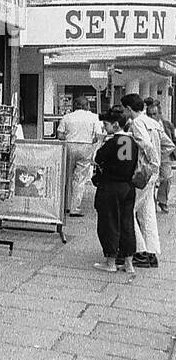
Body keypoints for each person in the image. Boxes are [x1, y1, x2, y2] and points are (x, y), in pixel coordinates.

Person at [92, 106, 138, 274]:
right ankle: (128, 262)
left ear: (116, 125)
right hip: (127, 187)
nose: (104, 126)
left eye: (107, 123)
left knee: (109, 223)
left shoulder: (111, 142)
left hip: (110, 187)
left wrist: (99, 142)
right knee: (127, 223)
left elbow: (97, 159)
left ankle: (111, 261)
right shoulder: (133, 142)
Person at [122, 93, 161, 267]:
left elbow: (147, 145)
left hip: (143, 173)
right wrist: (157, 168)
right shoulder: (154, 122)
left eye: (125, 109)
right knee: (147, 213)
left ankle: (139, 251)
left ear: (129, 108)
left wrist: (152, 164)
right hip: (152, 175)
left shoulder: (137, 123)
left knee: (128, 210)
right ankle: (151, 252)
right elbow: (167, 145)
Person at [56, 95, 100, 217]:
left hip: (69, 146)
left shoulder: (67, 117)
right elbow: (97, 135)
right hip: (86, 147)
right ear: (87, 106)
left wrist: (71, 138)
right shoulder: (93, 117)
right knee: (80, 178)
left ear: (75, 106)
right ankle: (75, 208)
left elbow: (59, 135)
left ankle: (65, 206)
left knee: (66, 176)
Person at [144, 97, 175, 213]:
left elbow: (172, 143)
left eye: (154, 114)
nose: (152, 117)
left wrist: (161, 154)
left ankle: (163, 201)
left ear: (159, 114)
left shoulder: (167, 125)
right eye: (150, 114)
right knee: (150, 179)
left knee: (166, 178)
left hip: (164, 156)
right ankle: (150, 203)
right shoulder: (145, 125)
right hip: (151, 157)